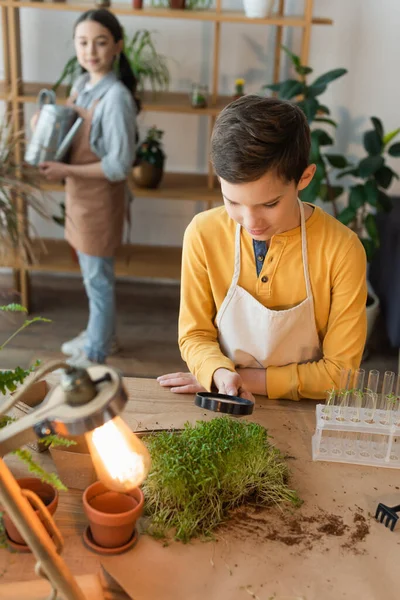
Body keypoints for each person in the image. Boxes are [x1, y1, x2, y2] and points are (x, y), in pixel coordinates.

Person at [158, 95, 367, 401]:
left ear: (304, 178)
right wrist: (218, 373)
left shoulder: (342, 250)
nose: (250, 220)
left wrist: (240, 379)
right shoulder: (203, 234)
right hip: (225, 400)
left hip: (308, 412)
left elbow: (340, 375)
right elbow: (195, 335)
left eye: (269, 203)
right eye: (232, 201)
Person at [38, 9, 139, 368]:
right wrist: (45, 125)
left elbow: (118, 165)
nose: (90, 51)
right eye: (83, 42)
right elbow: (70, 132)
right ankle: (101, 335)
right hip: (79, 198)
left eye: (100, 42)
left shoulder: (115, 99)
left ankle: (96, 352)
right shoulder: (83, 85)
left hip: (99, 203)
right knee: (90, 274)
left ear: (117, 46)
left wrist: (65, 169)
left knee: (98, 280)